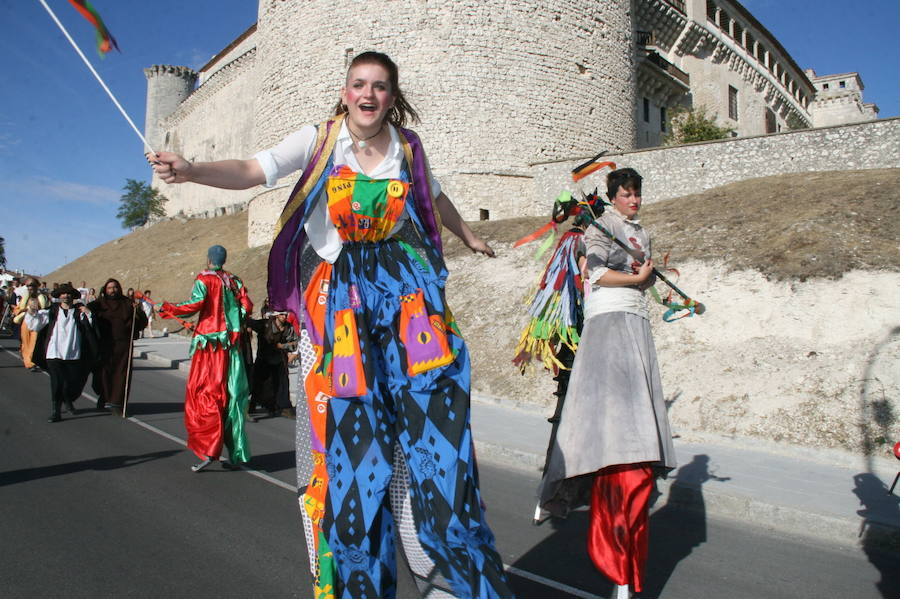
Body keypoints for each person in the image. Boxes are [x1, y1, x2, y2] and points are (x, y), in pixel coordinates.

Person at [150, 51, 512, 599]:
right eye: (359, 84)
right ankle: (360, 580)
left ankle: (461, 569)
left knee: (438, 436)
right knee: (356, 448)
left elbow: (432, 196)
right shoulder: (321, 140)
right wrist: (192, 170)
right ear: (345, 91)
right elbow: (254, 170)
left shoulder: (408, 147)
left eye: (381, 87)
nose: (368, 95)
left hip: (405, 296)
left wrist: (468, 235)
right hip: (343, 298)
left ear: (393, 96)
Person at [537, 168, 676, 599]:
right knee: (605, 420)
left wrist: (653, 282)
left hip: (637, 324)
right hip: (609, 324)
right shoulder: (602, 228)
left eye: (637, 193)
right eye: (627, 193)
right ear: (613, 197)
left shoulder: (641, 233)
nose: (633, 199)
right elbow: (595, 275)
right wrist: (636, 279)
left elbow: (640, 276)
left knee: (636, 422)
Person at [157, 245, 253, 472]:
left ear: (209, 258)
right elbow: (246, 306)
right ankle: (235, 451)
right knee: (232, 396)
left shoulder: (204, 279)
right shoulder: (234, 280)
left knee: (206, 393)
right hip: (231, 347)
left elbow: (195, 304)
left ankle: (210, 448)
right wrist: (234, 323)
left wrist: (167, 307)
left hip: (210, 346)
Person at [25, 282, 99, 422]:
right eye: (63, 293)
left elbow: (90, 327)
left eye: (68, 293)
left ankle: (68, 400)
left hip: (73, 353)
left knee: (72, 383)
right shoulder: (51, 311)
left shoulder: (79, 312)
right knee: (57, 382)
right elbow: (35, 324)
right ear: (59, 296)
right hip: (54, 353)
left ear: (73, 296)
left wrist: (89, 313)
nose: (66, 296)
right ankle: (56, 411)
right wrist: (32, 312)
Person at [88, 278, 148, 412]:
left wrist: (138, 310)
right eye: (109, 288)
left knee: (121, 374)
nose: (112, 290)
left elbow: (141, 322)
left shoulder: (127, 303)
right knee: (103, 373)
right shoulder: (99, 304)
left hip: (123, 345)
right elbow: (88, 314)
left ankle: (117, 402)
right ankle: (103, 396)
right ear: (105, 289)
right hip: (104, 344)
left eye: (115, 287)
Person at [246, 306, 298, 417]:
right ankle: (252, 406)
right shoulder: (264, 325)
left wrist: (284, 346)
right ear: (276, 315)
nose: (284, 317)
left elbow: (294, 344)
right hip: (263, 360)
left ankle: (284, 408)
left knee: (282, 385)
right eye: (282, 314)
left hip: (279, 361)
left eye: (285, 315)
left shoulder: (288, 328)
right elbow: (250, 322)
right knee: (259, 385)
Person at [13, 278, 49, 371]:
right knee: (26, 342)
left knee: (36, 342)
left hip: (38, 322)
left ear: (37, 286)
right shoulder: (24, 298)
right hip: (26, 322)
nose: (30, 287)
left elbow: (47, 308)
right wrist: (25, 310)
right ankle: (29, 363)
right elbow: (17, 309)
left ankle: (34, 361)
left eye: (32, 285)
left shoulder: (43, 297)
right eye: (28, 285)